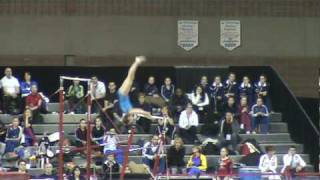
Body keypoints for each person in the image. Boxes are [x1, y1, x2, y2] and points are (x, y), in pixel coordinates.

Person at [117, 56, 154, 129]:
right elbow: (139, 112)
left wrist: (147, 114)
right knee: (131, 77)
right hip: (123, 94)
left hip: (123, 94)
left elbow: (139, 111)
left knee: (130, 77)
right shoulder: (127, 112)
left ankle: (137, 61)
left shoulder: (129, 112)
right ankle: (136, 62)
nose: (132, 120)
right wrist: (147, 116)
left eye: (130, 121)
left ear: (128, 119)